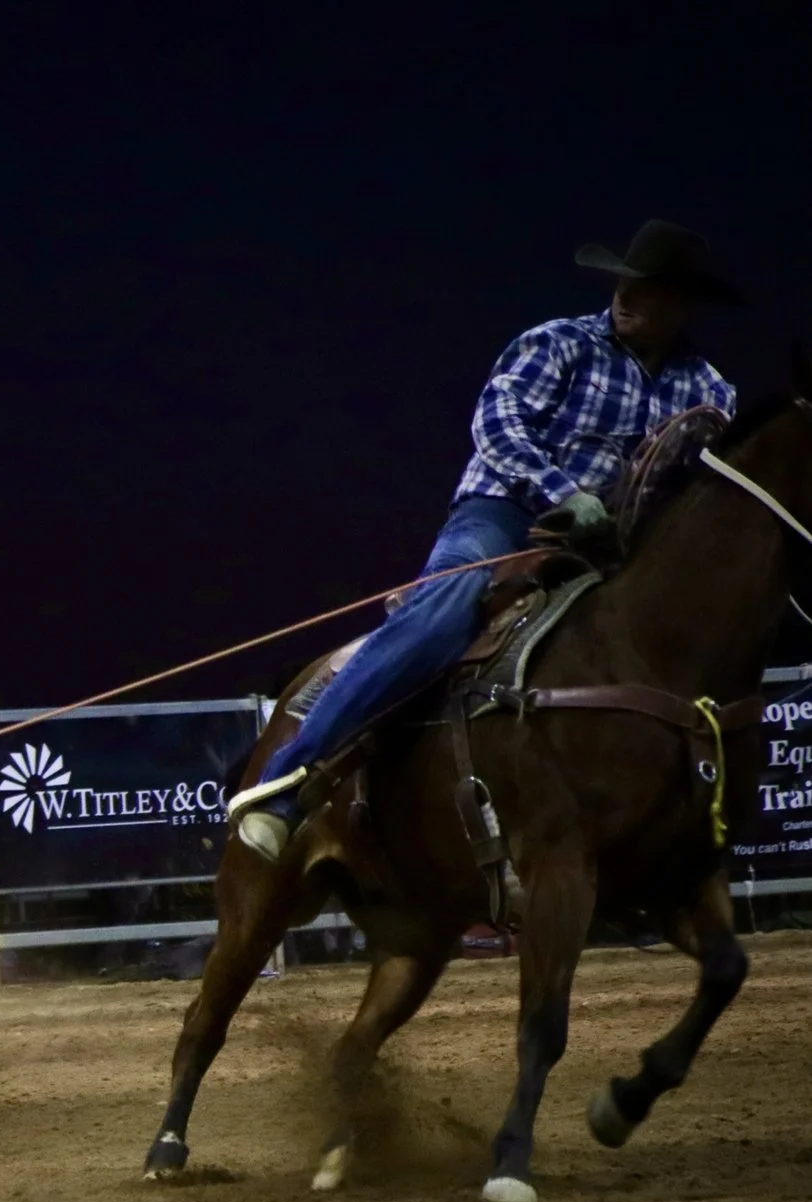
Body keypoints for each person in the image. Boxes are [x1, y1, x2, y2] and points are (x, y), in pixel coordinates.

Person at [228, 221, 741, 863]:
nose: (627, 297)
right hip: (503, 514)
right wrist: (563, 493)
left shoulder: (711, 392)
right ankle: (288, 785)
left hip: (612, 546)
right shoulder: (559, 343)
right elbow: (497, 424)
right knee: (444, 611)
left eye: (651, 289)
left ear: (683, 305)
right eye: (625, 284)